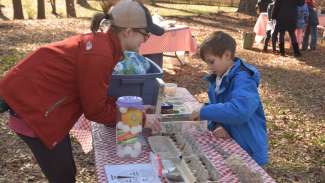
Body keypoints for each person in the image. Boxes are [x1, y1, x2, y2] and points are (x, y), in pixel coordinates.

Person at [0, 0, 163, 182]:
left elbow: (97, 94)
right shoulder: (100, 54)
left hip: (37, 101)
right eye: (145, 35)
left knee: (66, 171)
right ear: (128, 32)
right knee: (63, 176)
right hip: (32, 109)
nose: (145, 40)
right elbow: (95, 111)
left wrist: (134, 110)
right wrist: (140, 119)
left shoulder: (105, 45)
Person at [192, 31, 268, 166]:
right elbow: (219, 107)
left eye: (211, 61)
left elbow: (240, 111)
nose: (209, 67)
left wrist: (204, 112)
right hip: (232, 144)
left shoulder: (244, 79)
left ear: (227, 55)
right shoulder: (218, 78)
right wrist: (217, 124)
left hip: (249, 148)